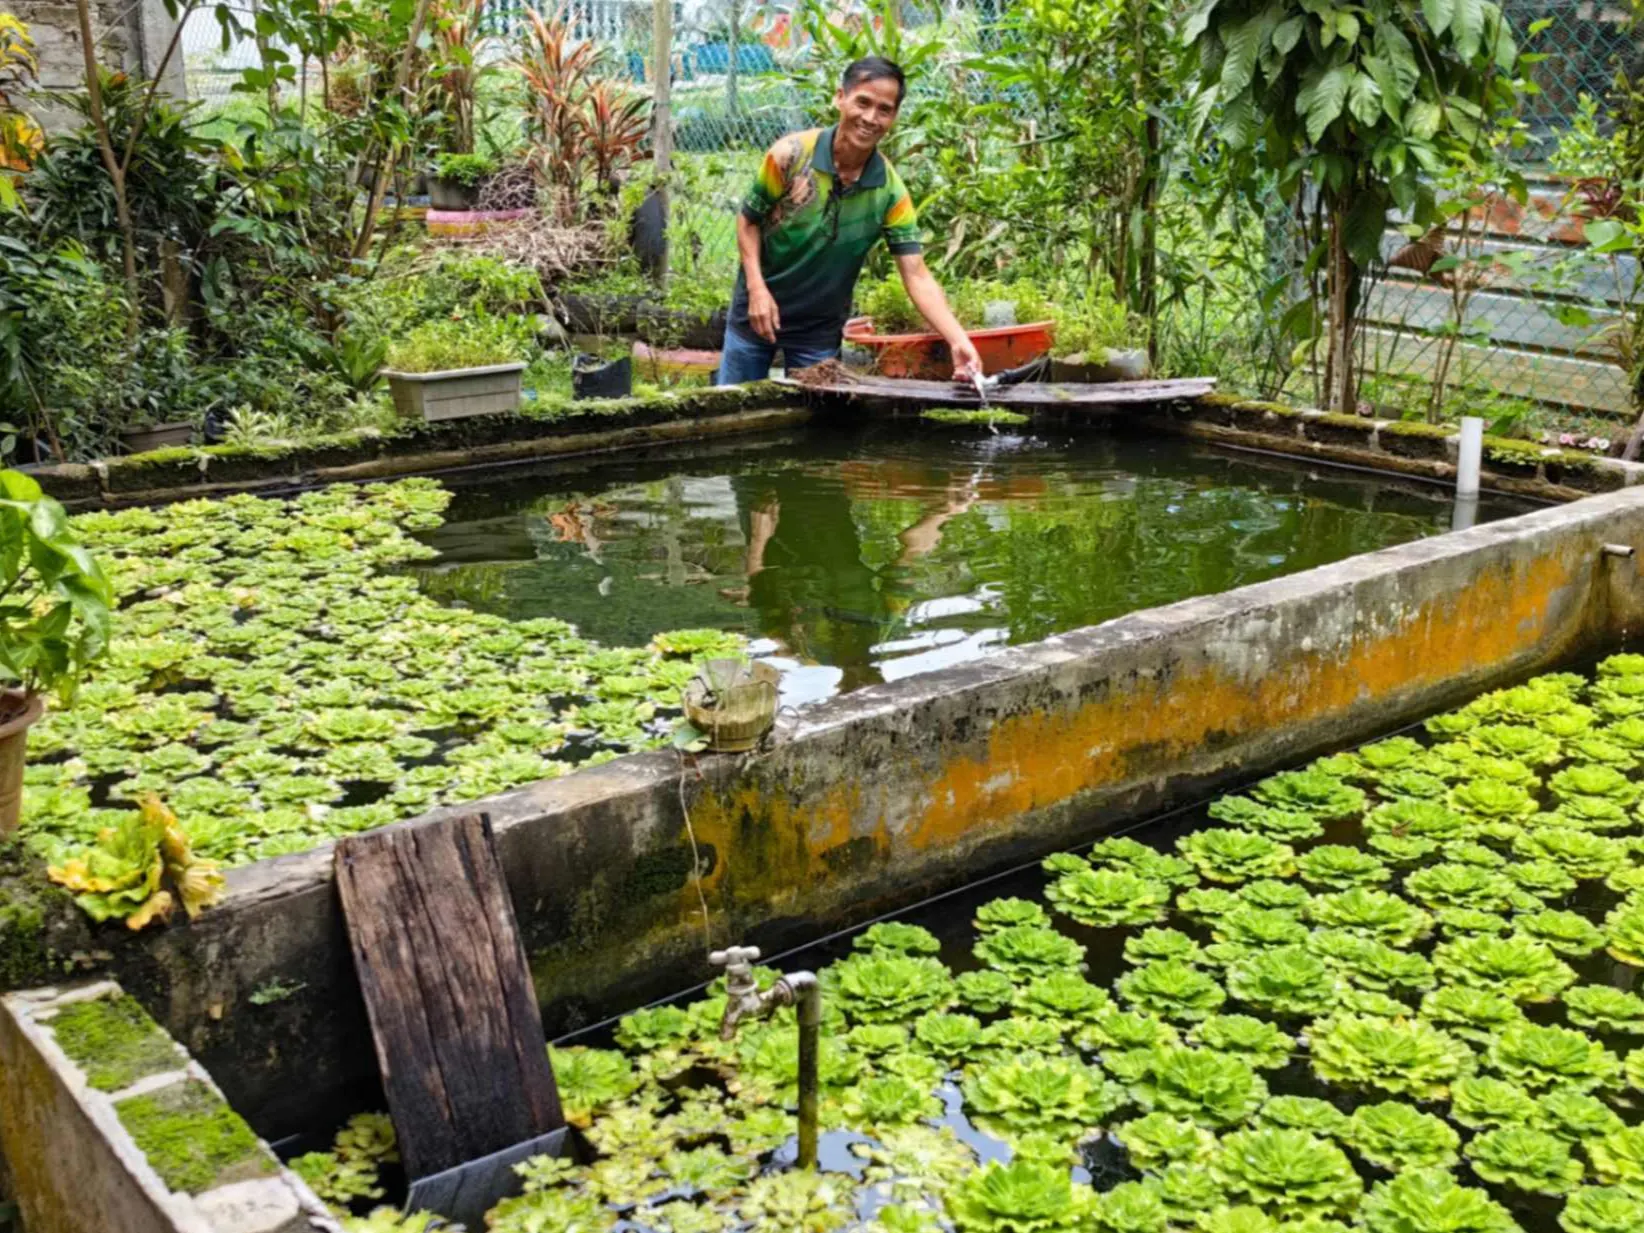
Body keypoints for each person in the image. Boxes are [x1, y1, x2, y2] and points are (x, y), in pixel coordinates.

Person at [716, 55, 983, 386]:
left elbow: (916, 273)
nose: (871, 118)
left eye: (884, 109)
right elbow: (748, 221)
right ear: (840, 97)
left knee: (815, 429)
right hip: (755, 315)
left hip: (818, 330)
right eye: (863, 102)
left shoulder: (890, 192)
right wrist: (756, 289)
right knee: (732, 408)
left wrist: (958, 340)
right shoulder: (791, 156)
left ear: (895, 117)